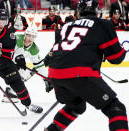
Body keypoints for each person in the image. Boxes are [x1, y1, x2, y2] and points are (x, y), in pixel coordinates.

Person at [45, 0, 128, 131]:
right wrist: (122, 50)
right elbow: (115, 58)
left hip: (54, 73)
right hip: (80, 73)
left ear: (78, 13)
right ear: (97, 12)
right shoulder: (102, 24)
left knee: (76, 106)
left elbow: (57, 53)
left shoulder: (66, 26)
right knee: (116, 108)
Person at [1, 26, 53, 113]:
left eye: (33, 36)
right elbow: (15, 50)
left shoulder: (34, 49)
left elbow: (39, 64)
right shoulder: (17, 38)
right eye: (29, 35)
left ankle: (10, 92)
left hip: (13, 64)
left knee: (24, 73)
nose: (30, 38)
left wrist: (47, 77)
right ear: (25, 34)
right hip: (2, 61)